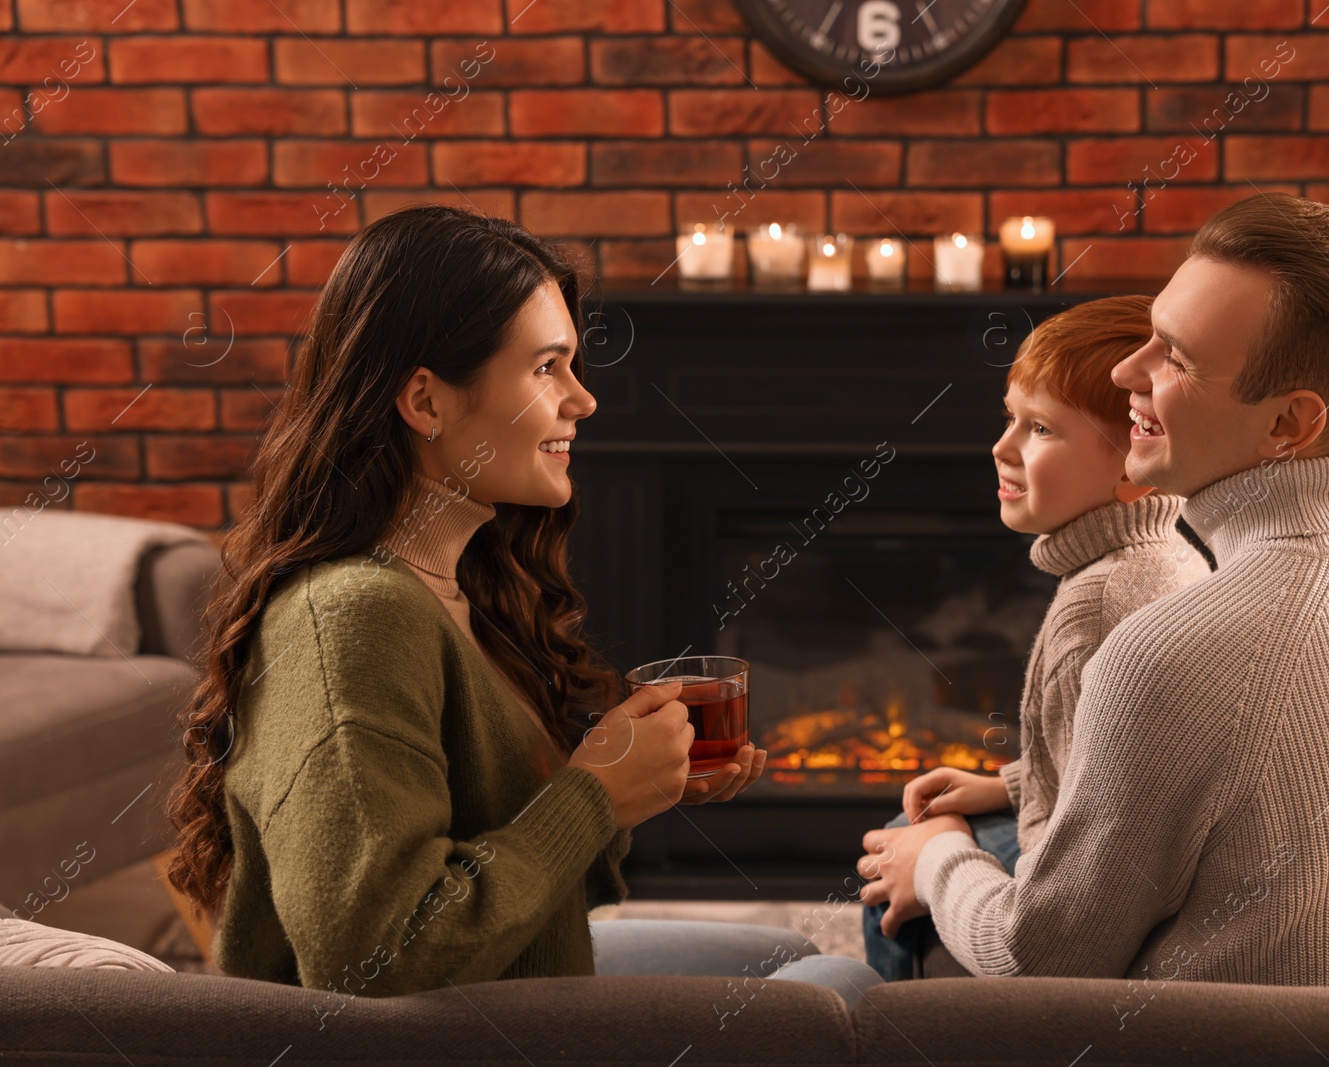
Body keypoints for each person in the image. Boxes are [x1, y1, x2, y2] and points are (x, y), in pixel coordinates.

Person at [163, 205, 881, 1006]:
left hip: (503, 987)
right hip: (445, 1044)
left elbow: (488, 841)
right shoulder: (354, 617)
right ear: (426, 402)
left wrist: (636, 789)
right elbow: (374, 958)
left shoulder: (452, 587)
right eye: (547, 368)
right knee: (839, 987)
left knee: (791, 951)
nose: (584, 401)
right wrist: (595, 792)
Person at [856, 193, 1329, 992]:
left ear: (1289, 424)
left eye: (1175, 359)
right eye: (1151, 335)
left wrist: (941, 854)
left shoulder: (1174, 649)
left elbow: (1038, 960)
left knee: (855, 961)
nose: (1128, 371)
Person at [861, 296, 1213, 981]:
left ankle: (892, 1017)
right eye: (1010, 418)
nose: (1002, 447)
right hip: (1104, 862)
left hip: (1065, 926)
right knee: (916, 826)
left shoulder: (1095, 608)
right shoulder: (1175, 554)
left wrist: (937, 856)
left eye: (1041, 428)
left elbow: (1078, 875)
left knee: (895, 852)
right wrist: (1012, 787)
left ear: (1132, 466)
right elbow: (1119, 773)